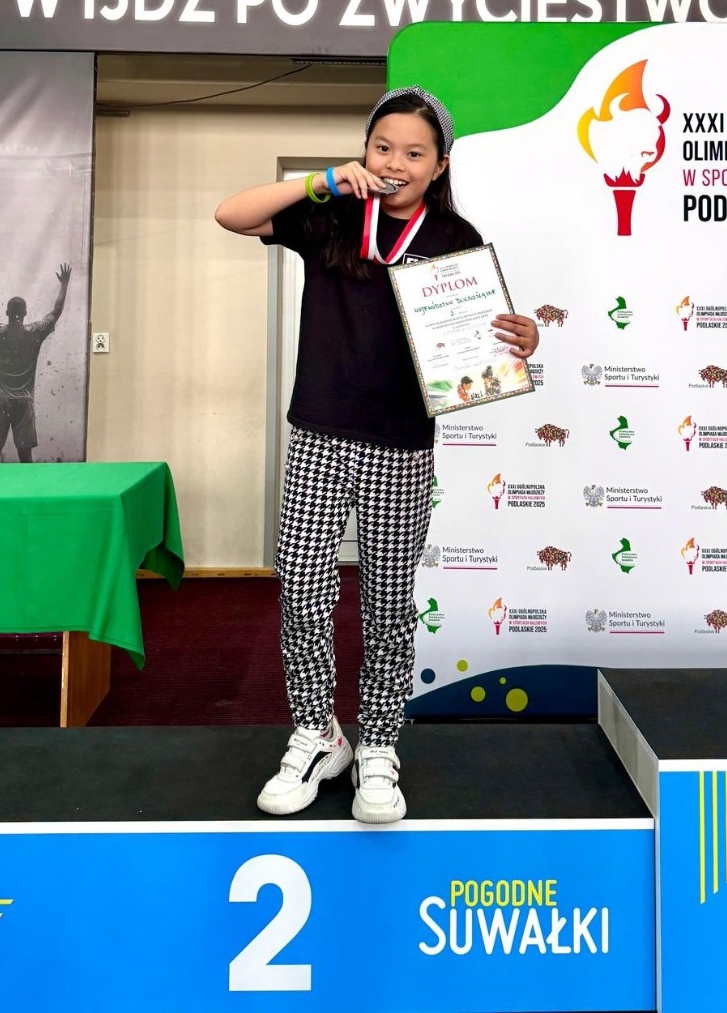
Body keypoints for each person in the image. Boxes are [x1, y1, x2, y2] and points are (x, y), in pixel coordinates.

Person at [215, 86, 539, 823]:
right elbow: (231, 214)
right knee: (301, 587)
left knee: (389, 602)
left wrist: (520, 341)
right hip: (319, 432)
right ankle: (317, 733)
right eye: (382, 147)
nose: (395, 163)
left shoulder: (454, 236)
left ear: (439, 165)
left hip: (402, 444)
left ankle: (380, 744)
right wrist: (322, 181)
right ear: (364, 150)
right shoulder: (330, 213)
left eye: (413, 153)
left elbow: (481, 339)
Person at [0, 262, 71, 463]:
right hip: (24, 402)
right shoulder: (34, 333)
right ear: (25, 313)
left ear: (7, 312)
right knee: (26, 460)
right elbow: (57, 310)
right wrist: (64, 283)